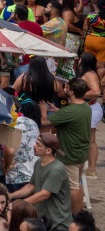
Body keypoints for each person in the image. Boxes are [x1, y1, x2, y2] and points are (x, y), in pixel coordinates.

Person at [9, 133, 71, 231]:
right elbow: (31, 186)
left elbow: (44, 194)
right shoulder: (39, 163)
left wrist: (19, 205)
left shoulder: (57, 169)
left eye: (38, 145)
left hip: (57, 224)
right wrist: (11, 195)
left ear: (48, 151)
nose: (34, 146)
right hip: (43, 221)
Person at [47, 77, 93, 214]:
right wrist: (57, 110)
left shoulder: (69, 111)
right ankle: (78, 213)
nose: (64, 88)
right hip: (81, 153)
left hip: (70, 155)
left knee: (73, 187)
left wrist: (43, 111)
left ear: (72, 92)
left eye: (66, 87)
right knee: (77, 184)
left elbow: (45, 121)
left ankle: (76, 216)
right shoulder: (86, 107)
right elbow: (71, 116)